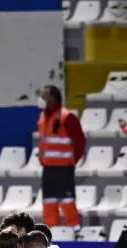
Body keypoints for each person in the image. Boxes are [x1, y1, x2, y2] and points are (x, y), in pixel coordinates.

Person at [36, 85, 86, 230]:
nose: (41, 98)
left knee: (67, 200)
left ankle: (75, 230)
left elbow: (80, 141)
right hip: (47, 167)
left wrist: (71, 161)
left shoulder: (67, 116)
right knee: (48, 201)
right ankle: (51, 231)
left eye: (44, 95)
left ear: (52, 98)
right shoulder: (43, 116)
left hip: (64, 167)